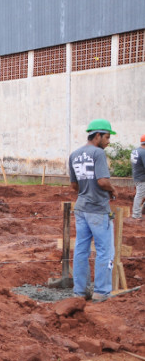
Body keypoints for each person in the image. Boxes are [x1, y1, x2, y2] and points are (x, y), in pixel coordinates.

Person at [68, 119, 118, 301]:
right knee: (105, 251)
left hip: (81, 208)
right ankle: (101, 292)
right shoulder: (98, 154)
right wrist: (112, 190)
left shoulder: (74, 154)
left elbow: (74, 185)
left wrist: (86, 191)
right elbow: (103, 181)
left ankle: (80, 291)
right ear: (97, 135)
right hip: (98, 209)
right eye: (107, 137)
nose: (108, 141)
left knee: (81, 249)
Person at [132, 134, 145, 220]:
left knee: (140, 194)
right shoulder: (143, 152)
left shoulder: (135, 150)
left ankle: (141, 210)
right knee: (140, 195)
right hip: (142, 178)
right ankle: (136, 214)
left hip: (137, 176)